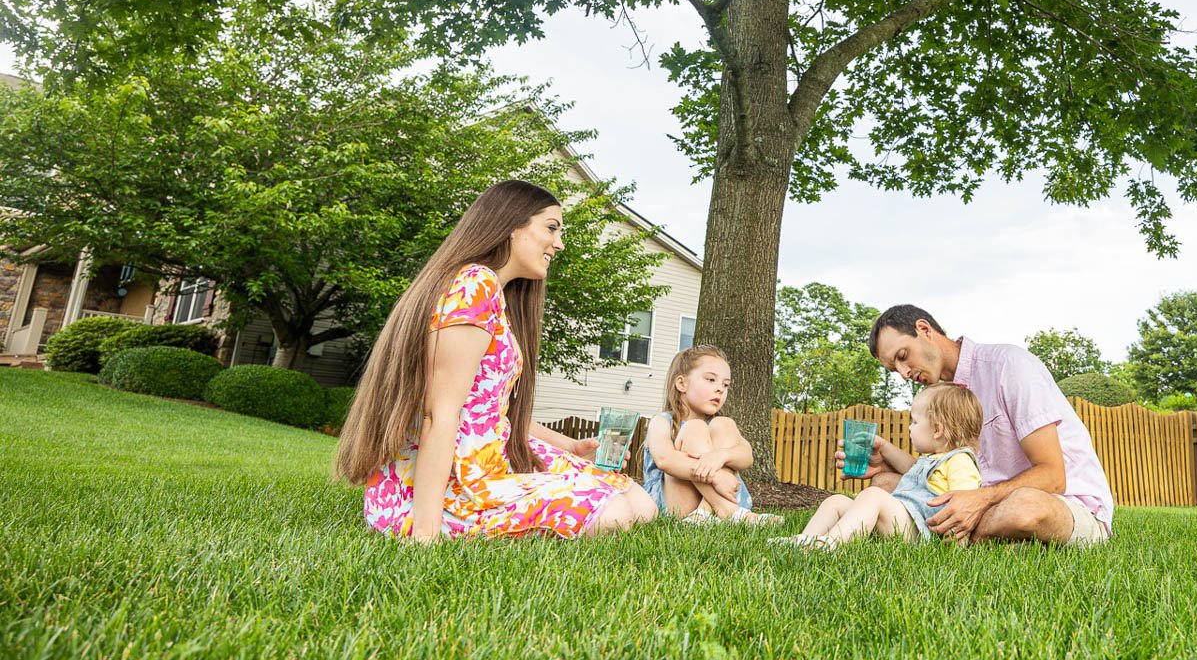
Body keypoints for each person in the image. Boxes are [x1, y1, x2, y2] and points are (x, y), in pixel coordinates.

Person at [336, 179, 659, 541]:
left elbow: (487, 412)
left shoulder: (495, 295)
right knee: (614, 515)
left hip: (487, 461)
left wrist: (568, 446)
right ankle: (439, 521)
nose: (559, 243)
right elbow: (438, 414)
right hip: (440, 487)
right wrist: (423, 534)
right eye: (551, 228)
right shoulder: (474, 284)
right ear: (510, 225)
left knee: (641, 503)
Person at [849, 305, 1115, 546]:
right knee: (883, 483)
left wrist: (981, 499)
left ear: (924, 329)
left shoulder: (1008, 365)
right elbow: (942, 474)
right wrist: (887, 462)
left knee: (1024, 507)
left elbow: (1054, 477)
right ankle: (975, 536)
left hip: (1063, 502)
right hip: (985, 502)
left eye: (903, 356)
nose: (904, 372)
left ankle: (943, 534)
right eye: (895, 369)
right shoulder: (943, 396)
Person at [777, 382, 983, 549]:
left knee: (873, 495)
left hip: (920, 529)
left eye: (915, 422)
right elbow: (909, 469)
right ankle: (804, 540)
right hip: (901, 518)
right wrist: (882, 445)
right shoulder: (932, 458)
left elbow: (965, 504)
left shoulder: (959, 461)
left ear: (937, 430)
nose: (910, 428)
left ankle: (831, 545)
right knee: (837, 500)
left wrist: (957, 543)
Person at [640, 345, 780, 524]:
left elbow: (747, 456)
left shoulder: (720, 425)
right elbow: (665, 460)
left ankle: (705, 512)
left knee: (724, 423)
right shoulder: (662, 422)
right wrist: (716, 475)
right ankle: (729, 511)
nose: (720, 389)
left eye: (725, 384)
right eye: (711, 380)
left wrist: (720, 456)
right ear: (682, 383)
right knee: (694, 427)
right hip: (676, 504)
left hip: (712, 504)